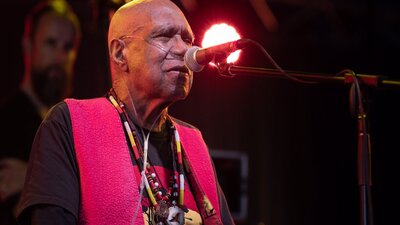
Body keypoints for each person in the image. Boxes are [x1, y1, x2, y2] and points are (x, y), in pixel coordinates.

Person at [17, 0, 234, 224]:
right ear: (120, 53)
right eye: (164, 36)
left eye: (187, 40)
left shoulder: (192, 141)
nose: (183, 50)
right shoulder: (70, 123)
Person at [0, 1, 80, 224]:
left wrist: (32, 179)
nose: (59, 57)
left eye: (68, 47)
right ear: (28, 46)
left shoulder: (76, 127)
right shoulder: (5, 123)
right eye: (50, 43)